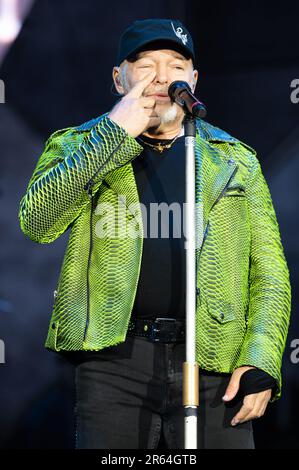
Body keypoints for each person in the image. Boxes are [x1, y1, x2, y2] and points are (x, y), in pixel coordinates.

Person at [18, 18, 291, 449]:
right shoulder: (77, 145)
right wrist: (113, 133)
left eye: (176, 64)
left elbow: (270, 273)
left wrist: (261, 358)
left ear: (194, 79)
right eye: (145, 64)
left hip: (214, 360)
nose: (163, 76)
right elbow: (37, 222)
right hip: (113, 362)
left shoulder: (234, 159)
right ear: (118, 78)